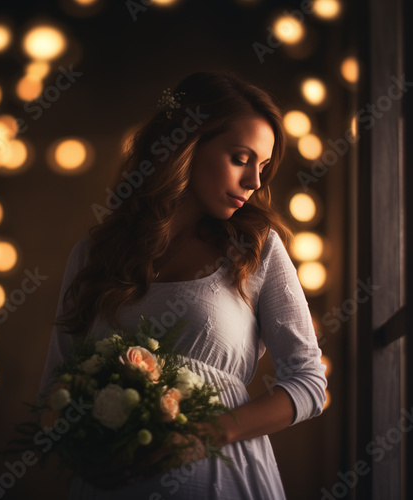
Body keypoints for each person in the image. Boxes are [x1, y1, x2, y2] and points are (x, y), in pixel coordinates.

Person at [38, 70, 328, 499]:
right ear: (186, 145)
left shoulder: (254, 250)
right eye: (241, 158)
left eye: (263, 166)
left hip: (223, 482)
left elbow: (309, 383)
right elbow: (54, 393)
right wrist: (86, 457)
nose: (255, 182)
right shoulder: (93, 256)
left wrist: (204, 434)